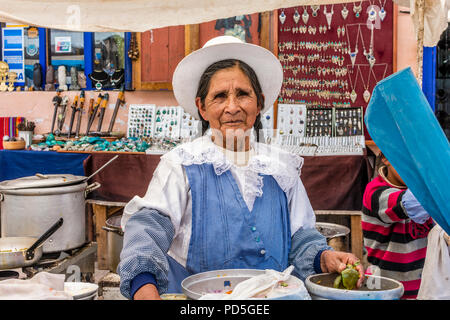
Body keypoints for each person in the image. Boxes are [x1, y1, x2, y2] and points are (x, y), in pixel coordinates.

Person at [118, 35, 364, 300]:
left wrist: (324, 257)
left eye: (243, 94)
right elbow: (148, 230)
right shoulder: (182, 163)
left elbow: (301, 238)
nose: (232, 107)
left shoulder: (281, 168)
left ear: (259, 103)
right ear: (202, 106)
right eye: (220, 96)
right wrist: (144, 286)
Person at [362, 151, 434, 299]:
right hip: (383, 289)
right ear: (385, 158)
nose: (414, 168)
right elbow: (412, 204)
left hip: (421, 288)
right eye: (407, 161)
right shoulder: (375, 192)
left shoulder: (421, 190)